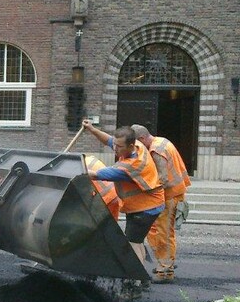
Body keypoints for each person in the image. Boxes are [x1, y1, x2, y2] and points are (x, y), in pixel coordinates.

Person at [82, 121, 165, 266]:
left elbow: (95, 174)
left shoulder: (130, 166)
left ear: (131, 146)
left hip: (145, 209)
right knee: (137, 241)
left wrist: (73, 168)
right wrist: (92, 129)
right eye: (115, 144)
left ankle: (136, 280)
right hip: (146, 205)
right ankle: (141, 277)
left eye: (119, 147)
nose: (115, 149)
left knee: (132, 244)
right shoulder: (137, 145)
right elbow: (109, 140)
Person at [131, 124, 191, 283]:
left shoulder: (155, 151)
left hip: (169, 196)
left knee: (163, 233)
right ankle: (164, 263)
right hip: (174, 194)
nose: (136, 149)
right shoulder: (162, 142)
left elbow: (163, 179)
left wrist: (144, 191)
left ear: (142, 139)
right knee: (159, 231)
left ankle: (165, 270)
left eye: (137, 145)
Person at [85, 154, 122, 222]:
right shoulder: (89, 160)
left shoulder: (82, 168)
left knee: (101, 226)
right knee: (112, 225)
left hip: (105, 199)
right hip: (114, 195)